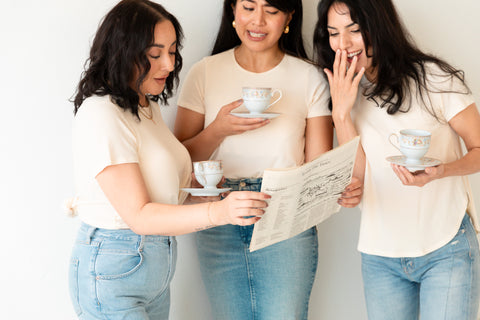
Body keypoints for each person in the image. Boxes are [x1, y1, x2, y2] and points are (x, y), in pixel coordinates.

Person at [67, 1, 271, 319]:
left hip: (153, 267)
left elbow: (163, 179)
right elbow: (140, 216)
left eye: (173, 52)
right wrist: (219, 212)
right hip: (114, 264)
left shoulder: (144, 106)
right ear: (124, 51)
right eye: (155, 53)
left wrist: (211, 149)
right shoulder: (101, 113)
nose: (169, 64)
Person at [173, 0, 362, 319]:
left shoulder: (309, 77)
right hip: (218, 211)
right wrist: (217, 131)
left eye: (271, 11)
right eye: (248, 7)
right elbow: (178, 163)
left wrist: (340, 186)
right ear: (232, 11)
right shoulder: (204, 72)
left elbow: (316, 166)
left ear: (289, 17)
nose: (257, 21)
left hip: (285, 211)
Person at [313, 0, 480, 319]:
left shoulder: (435, 79)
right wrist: (341, 115)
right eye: (333, 33)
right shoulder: (348, 93)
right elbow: (358, 177)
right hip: (381, 256)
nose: (343, 44)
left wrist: (442, 171)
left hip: (446, 247)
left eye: (355, 30)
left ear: (379, 26)